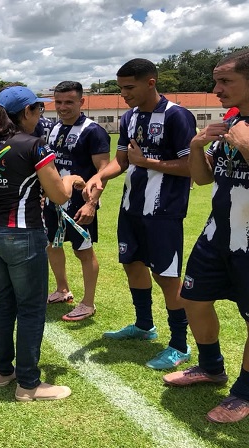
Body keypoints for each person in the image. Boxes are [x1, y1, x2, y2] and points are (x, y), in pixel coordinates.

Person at [0, 86, 85, 401]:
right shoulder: (33, 145)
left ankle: (3, 371)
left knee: (3, 303)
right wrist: (71, 179)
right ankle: (29, 384)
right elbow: (59, 196)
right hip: (22, 235)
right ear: (26, 112)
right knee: (31, 310)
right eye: (38, 109)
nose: (40, 115)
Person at [84, 58, 196, 370]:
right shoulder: (130, 117)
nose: (124, 94)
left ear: (151, 82)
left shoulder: (177, 116)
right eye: (121, 88)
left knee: (166, 276)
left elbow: (191, 166)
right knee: (132, 264)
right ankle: (144, 326)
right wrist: (99, 176)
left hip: (164, 210)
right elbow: (122, 160)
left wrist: (148, 162)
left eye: (129, 87)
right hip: (131, 207)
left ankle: (179, 345)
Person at [163, 49, 249, 423]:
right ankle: (211, 367)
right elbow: (201, 178)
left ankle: (244, 393)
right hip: (217, 233)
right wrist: (198, 146)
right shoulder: (231, 120)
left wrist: (245, 143)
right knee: (193, 299)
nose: (216, 89)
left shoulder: (240, 131)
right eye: (216, 81)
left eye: (225, 81)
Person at [44, 81, 110, 321]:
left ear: (82, 101)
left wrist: (91, 203)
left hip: (80, 204)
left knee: (83, 251)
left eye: (69, 102)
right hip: (54, 200)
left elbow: (103, 171)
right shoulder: (53, 128)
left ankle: (88, 303)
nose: (63, 107)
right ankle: (62, 290)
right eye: (59, 102)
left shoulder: (93, 131)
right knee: (52, 245)